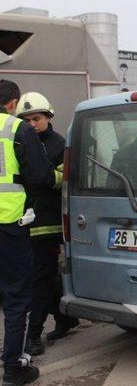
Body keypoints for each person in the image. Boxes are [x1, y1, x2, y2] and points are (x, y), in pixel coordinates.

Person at [0, 80, 56, 386]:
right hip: (9, 222)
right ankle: (14, 367)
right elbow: (42, 175)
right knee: (17, 294)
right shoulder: (16, 129)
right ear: (13, 103)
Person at [16, 92, 79, 357]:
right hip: (23, 222)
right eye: (27, 119)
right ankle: (65, 317)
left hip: (49, 223)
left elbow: (61, 179)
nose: (32, 123)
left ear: (48, 117)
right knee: (45, 277)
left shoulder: (59, 144)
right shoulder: (18, 142)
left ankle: (33, 335)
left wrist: (39, 176)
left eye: (37, 118)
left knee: (39, 280)